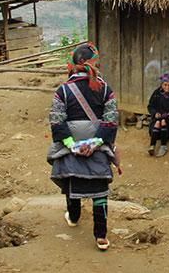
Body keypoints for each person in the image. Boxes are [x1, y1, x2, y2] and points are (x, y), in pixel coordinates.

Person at [47, 43, 121, 251]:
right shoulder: (106, 89)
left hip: (72, 150)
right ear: (95, 64)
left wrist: (72, 145)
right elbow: (111, 120)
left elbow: (56, 120)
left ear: (73, 64)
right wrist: (95, 142)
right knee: (100, 192)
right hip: (96, 150)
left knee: (72, 185)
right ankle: (101, 237)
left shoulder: (63, 90)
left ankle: (73, 217)